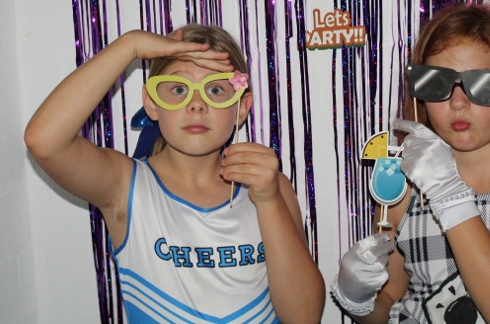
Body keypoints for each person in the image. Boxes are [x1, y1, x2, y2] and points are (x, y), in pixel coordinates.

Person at [24, 24, 325, 323]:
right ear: (151, 103)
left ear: (241, 107)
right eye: (179, 89)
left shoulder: (270, 187)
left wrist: (270, 201)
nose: (197, 105)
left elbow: (304, 318)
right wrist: (130, 45)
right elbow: (44, 141)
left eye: (215, 89)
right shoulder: (125, 186)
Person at [330, 1, 490, 323]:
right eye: (437, 82)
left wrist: (449, 196)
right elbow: (388, 304)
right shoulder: (403, 191)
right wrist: (357, 298)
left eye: (483, 83)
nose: (458, 102)